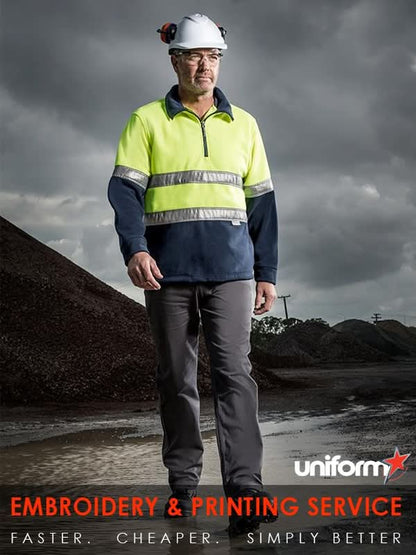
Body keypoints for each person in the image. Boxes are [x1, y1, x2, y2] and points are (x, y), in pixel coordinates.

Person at [108, 13, 278, 535]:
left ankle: (245, 491)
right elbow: (125, 192)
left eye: (213, 57)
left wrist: (266, 271)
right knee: (177, 381)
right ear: (175, 60)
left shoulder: (244, 124)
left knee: (235, 376)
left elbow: (262, 204)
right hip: (167, 273)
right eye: (194, 56)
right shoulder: (145, 121)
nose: (204, 66)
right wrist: (135, 249)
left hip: (232, 272)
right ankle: (183, 487)